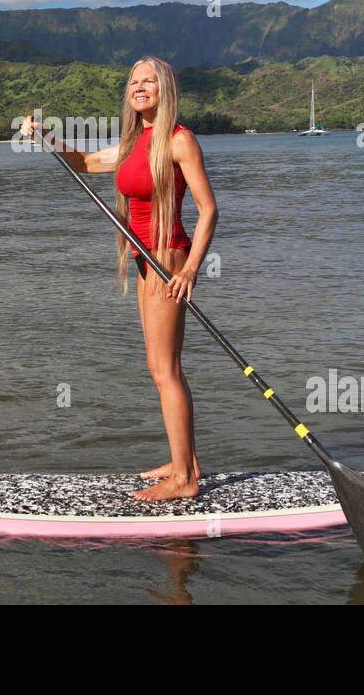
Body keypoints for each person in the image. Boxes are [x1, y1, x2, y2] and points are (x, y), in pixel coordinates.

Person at [21, 56, 218, 501]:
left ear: (164, 89)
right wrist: (46, 137)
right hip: (144, 259)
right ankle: (185, 459)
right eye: (133, 81)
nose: (139, 86)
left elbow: (209, 210)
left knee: (164, 368)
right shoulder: (135, 141)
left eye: (149, 81)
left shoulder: (179, 140)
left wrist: (189, 270)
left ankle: (185, 479)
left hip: (167, 260)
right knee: (161, 367)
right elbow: (87, 162)